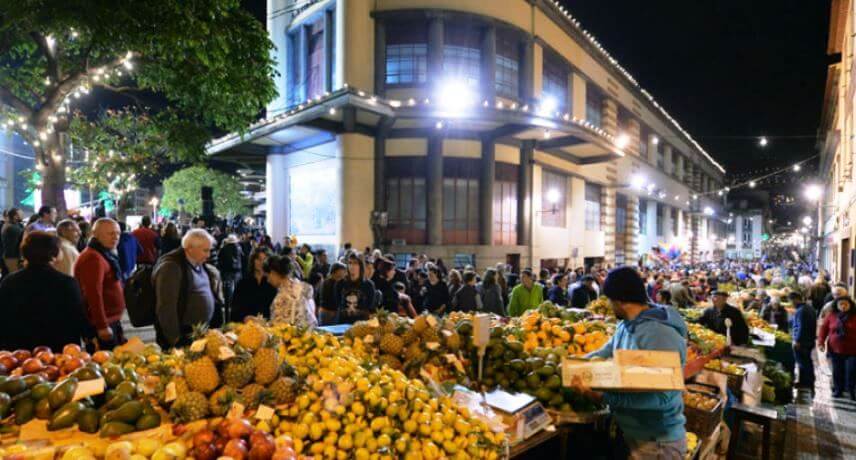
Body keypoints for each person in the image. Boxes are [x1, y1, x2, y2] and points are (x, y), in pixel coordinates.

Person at [572, 266, 688, 459]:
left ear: (620, 301)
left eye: (609, 301)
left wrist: (602, 397)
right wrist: (573, 366)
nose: (609, 306)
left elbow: (663, 398)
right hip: (632, 432)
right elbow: (606, 351)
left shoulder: (659, 335)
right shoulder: (627, 323)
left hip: (657, 443)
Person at [0, 232, 89, 352]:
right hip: (58, 349)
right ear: (54, 253)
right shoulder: (66, 282)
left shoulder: (9, 281)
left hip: (19, 350)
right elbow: (78, 314)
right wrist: (89, 335)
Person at [152, 229, 224, 348]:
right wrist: (175, 340)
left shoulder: (198, 263)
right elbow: (165, 307)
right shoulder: (171, 267)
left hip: (199, 334)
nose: (208, 255)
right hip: (183, 336)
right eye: (205, 251)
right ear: (190, 248)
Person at [74, 218, 126, 352]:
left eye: (118, 233)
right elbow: (93, 294)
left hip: (111, 320)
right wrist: (102, 325)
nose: (115, 237)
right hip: (101, 324)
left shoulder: (103, 253)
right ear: (95, 234)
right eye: (110, 233)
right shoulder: (93, 258)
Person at [818, 297, 856, 399]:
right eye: (841, 304)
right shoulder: (831, 316)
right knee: (837, 371)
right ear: (837, 305)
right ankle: (838, 390)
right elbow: (823, 330)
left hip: (852, 350)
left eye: (846, 304)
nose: (843, 306)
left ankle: (852, 391)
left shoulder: (854, 316)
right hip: (835, 349)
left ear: (850, 305)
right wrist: (821, 343)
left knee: (851, 371)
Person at [265, 255, 317, 329]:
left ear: (274, 273)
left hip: (294, 338)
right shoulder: (303, 287)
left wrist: (262, 324)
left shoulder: (283, 297)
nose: (268, 280)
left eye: (268, 276)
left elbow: (279, 327)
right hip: (311, 335)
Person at [231, 247, 277, 321]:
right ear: (253, 260)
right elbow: (235, 308)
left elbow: (277, 310)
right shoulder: (243, 283)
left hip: (269, 326)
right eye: (258, 259)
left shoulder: (273, 284)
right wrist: (244, 317)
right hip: (246, 326)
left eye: (265, 259)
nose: (261, 262)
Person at [335, 254, 376, 324]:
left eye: (355, 263)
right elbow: (337, 303)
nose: (352, 266)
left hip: (361, 324)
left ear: (361, 266)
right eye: (350, 263)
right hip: (342, 323)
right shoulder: (340, 283)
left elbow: (370, 307)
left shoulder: (368, 285)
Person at [790, 291, 817, 390]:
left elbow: (801, 327)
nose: (791, 304)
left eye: (791, 301)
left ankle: (807, 382)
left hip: (803, 342)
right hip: (809, 340)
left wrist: (797, 340)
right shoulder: (809, 308)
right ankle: (805, 382)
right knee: (806, 361)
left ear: (795, 299)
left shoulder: (801, 311)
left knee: (803, 362)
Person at [217, 234, 244, 320]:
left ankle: (227, 318)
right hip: (238, 273)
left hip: (227, 274)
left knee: (227, 298)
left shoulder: (223, 249)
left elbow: (219, 261)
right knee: (237, 297)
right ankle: (236, 317)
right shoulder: (239, 248)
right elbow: (243, 260)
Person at [1, 208, 24, 273]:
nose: (23, 215)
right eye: (21, 214)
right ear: (15, 216)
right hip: (13, 258)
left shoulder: (10, 225)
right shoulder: (14, 228)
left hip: (8, 257)